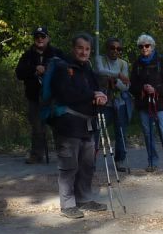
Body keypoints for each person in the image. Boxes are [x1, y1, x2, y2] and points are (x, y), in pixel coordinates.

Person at [47, 34, 110, 219]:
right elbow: (67, 94)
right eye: (80, 48)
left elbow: (94, 91)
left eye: (87, 49)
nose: (84, 52)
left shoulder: (87, 68)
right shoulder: (62, 68)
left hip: (87, 124)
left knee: (87, 164)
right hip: (67, 124)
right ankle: (67, 205)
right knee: (69, 165)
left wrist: (101, 98)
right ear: (73, 48)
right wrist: (92, 94)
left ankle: (84, 198)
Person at [130, 34, 163, 174]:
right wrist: (142, 89)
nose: (144, 48)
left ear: (152, 46)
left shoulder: (161, 61)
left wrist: (156, 90)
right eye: (141, 46)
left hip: (159, 104)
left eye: (147, 46)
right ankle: (152, 162)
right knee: (148, 134)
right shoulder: (137, 64)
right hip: (143, 104)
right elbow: (132, 85)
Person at [14, 26, 65, 164]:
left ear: (48, 38)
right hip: (34, 97)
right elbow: (19, 73)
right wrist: (34, 69)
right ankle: (36, 154)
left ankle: (63, 154)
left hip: (54, 97)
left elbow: (67, 70)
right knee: (37, 127)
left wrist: (50, 70)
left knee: (58, 126)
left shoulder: (57, 53)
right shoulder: (27, 55)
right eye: (37, 37)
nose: (40, 39)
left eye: (43, 36)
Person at [94, 36, 131, 173]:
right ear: (107, 48)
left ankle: (120, 160)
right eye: (112, 47)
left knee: (120, 132)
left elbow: (126, 87)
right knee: (97, 131)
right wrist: (119, 75)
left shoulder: (123, 64)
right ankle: (91, 160)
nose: (115, 51)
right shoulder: (100, 59)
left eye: (118, 48)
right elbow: (99, 71)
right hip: (103, 103)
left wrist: (115, 81)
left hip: (118, 102)